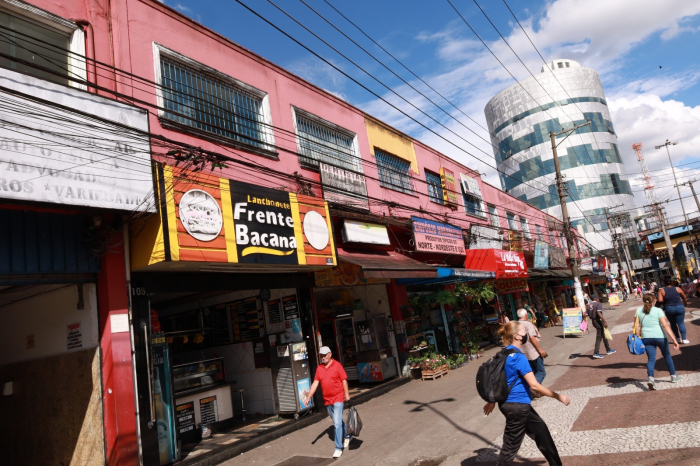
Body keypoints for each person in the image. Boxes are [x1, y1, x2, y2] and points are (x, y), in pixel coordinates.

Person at [483, 321, 571, 466]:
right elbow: (534, 384)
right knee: (510, 447)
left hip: (511, 404)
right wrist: (558, 396)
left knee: (542, 433)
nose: (527, 334)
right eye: (525, 331)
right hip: (517, 406)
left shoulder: (504, 353)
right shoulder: (518, 357)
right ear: (517, 336)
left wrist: (492, 401)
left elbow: (497, 379)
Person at [302, 346, 351, 458]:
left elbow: (344, 380)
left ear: (330, 354)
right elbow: (315, 383)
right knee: (337, 421)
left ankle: (338, 448)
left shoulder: (337, 365)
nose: (323, 357)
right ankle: (347, 435)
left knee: (337, 424)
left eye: (324, 355)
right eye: (321, 356)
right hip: (328, 400)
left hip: (338, 398)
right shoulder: (319, 368)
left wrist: (347, 396)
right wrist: (309, 397)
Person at [634, 293, 682, 390]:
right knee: (667, 356)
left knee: (651, 359)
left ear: (643, 301)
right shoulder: (658, 310)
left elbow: (636, 326)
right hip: (660, 337)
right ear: (654, 301)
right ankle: (673, 376)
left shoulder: (638, 310)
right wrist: (674, 339)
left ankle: (651, 379)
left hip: (646, 337)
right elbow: (665, 325)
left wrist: (637, 338)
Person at [517, 308, 547, 389]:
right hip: (532, 352)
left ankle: (536, 390)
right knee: (541, 371)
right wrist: (540, 349)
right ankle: (533, 388)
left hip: (522, 353)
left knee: (531, 372)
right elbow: (532, 337)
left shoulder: (515, 325)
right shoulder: (528, 324)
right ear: (525, 315)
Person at [657, 276, 690, 344]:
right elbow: (684, 296)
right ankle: (684, 338)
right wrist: (685, 303)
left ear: (664, 282)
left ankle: (678, 338)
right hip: (679, 307)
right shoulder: (677, 288)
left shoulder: (662, 290)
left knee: (673, 323)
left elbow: (660, 300)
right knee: (681, 323)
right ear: (671, 282)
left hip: (669, 308)